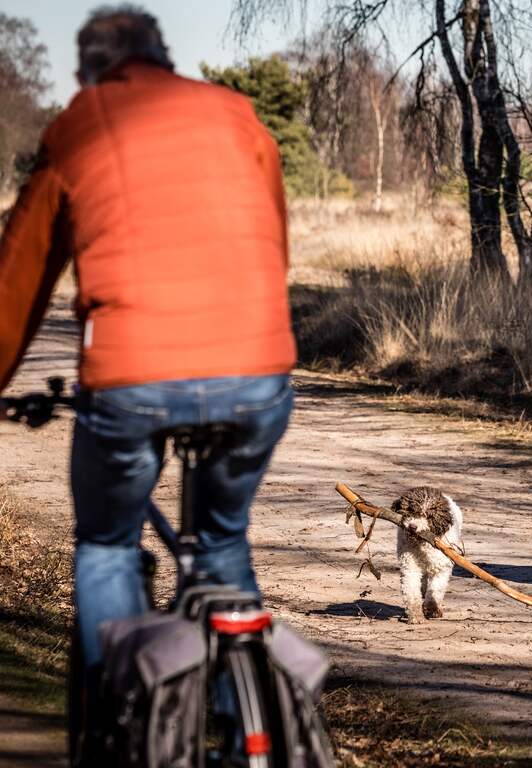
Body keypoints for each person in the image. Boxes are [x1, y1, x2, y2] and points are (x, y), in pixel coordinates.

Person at [0, 4, 295, 730]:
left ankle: (123, 725)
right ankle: (243, 727)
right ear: (163, 58)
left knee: (107, 545)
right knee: (220, 541)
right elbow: (272, 246)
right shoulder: (237, 115)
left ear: (87, 72)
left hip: (130, 378)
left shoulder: (79, 125)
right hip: (257, 372)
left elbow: (20, 280)